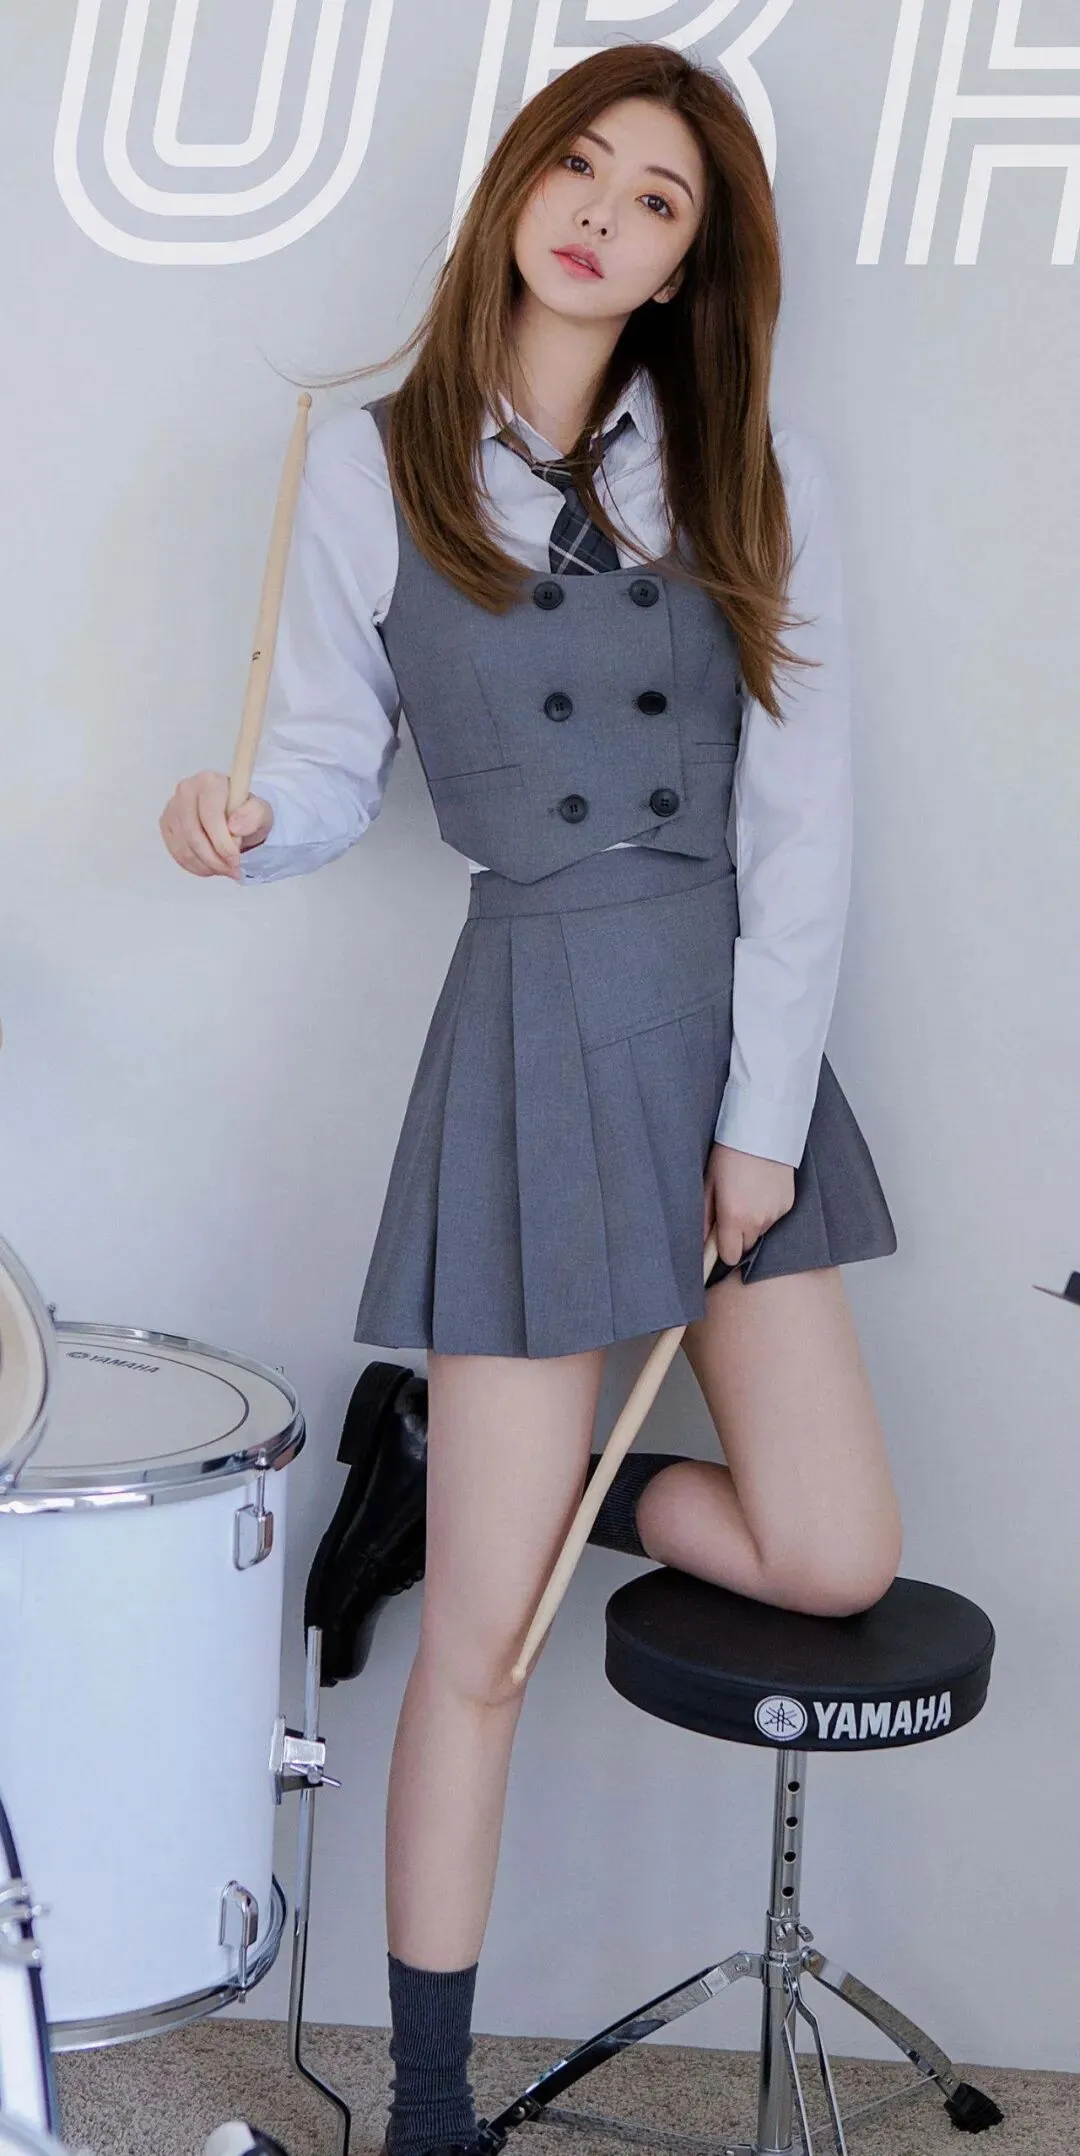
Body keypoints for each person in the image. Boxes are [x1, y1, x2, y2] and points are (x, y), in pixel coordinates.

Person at [160, 42, 902, 2156]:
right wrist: (239, 824)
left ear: (685, 267)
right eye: (582, 166)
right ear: (515, 188)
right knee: (479, 1645)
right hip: (526, 1029)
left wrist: (760, 1125)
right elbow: (329, 767)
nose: (604, 214)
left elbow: (809, 817)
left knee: (835, 1553)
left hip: (725, 1026)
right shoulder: (364, 461)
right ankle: (424, 2105)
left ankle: (482, 1470)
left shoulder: (752, 459)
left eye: (658, 199)